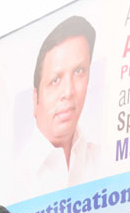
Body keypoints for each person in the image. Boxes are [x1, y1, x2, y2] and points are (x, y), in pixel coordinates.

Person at [16, 15, 102, 199]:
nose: (68, 91)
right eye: (55, 80)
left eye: (79, 71)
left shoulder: (102, 161)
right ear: (35, 99)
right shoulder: (17, 179)